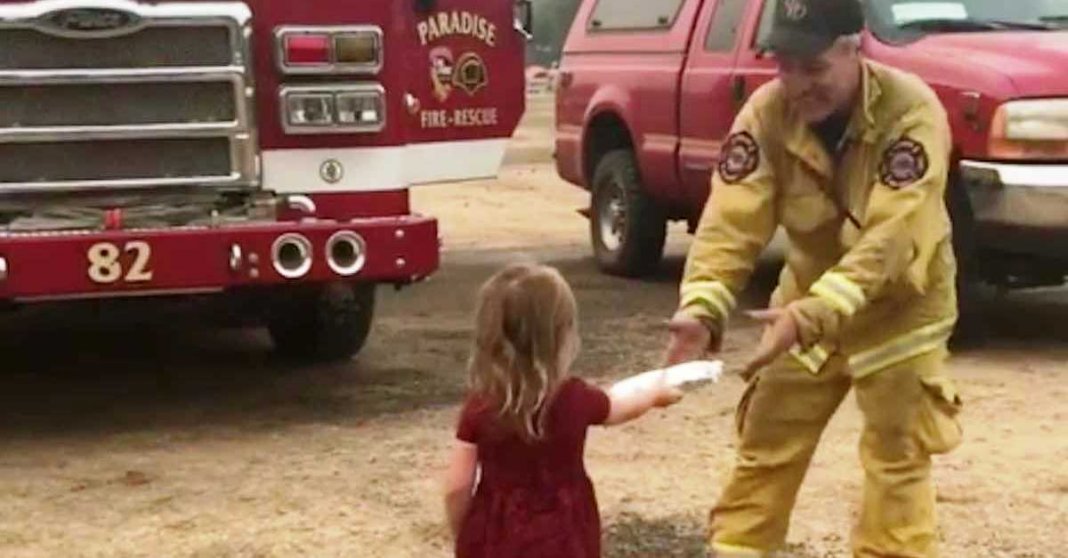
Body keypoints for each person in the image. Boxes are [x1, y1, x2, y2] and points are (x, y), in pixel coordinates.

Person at [663, 0, 965, 556]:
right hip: (802, 313)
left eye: (814, 67)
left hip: (899, 312)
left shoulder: (911, 111)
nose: (796, 83)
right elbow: (732, 219)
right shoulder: (766, 112)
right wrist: (702, 307)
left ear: (854, 49)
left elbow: (894, 236)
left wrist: (812, 313)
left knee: (896, 465)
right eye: (785, 64)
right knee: (764, 447)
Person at [443, 262, 712, 558]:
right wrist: (654, 395)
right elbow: (619, 406)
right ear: (561, 335)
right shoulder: (574, 397)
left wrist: (465, 535)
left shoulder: (480, 406)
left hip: (498, 532)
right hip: (565, 531)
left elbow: (457, 486)